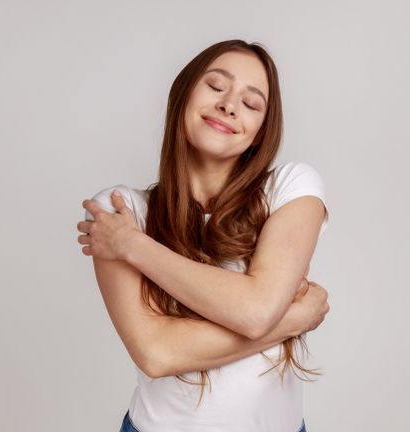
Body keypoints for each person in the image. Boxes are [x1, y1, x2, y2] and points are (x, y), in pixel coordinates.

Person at [76, 39, 331, 432]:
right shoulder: (119, 211)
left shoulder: (290, 188)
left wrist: (133, 246)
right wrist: (294, 317)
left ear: (261, 132)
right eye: (215, 86)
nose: (229, 105)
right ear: (183, 94)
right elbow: (155, 353)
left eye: (251, 103)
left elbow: (256, 310)